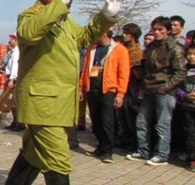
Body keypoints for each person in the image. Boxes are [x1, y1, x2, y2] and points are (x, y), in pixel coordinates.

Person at [0, 0, 127, 185]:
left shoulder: (63, 20)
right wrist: (59, 6)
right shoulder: (30, 15)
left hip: (57, 102)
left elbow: (84, 37)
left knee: (33, 152)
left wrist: (106, 16)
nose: (71, 1)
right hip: (41, 102)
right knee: (57, 158)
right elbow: (28, 33)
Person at [126, 16, 186, 166]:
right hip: (148, 90)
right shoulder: (151, 47)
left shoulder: (175, 48)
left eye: (160, 29)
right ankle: (143, 151)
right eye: (154, 29)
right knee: (142, 121)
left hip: (165, 92)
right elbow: (147, 70)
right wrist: (143, 88)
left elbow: (180, 73)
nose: (157, 32)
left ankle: (162, 154)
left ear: (167, 30)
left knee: (162, 124)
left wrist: (164, 88)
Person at [80, 28, 130, 163]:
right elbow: (85, 69)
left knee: (107, 121)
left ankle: (108, 151)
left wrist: (120, 94)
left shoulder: (120, 50)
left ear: (104, 33)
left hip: (108, 89)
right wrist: (81, 87)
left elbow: (124, 73)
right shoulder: (92, 49)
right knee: (95, 120)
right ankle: (100, 146)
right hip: (92, 87)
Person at [176, 44, 195, 172]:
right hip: (188, 107)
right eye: (189, 54)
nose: (191, 57)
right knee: (191, 134)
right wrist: (185, 95)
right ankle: (192, 159)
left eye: (194, 54)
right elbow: (177, 88)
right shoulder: (183, 70)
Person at [0, 33, 21, 130]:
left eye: (11, 39)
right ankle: (15, 122)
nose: (10, 41)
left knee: (14, 102)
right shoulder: (12, 52)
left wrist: (12, 79)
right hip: (10, 76)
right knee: (11, 102)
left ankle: (19, 123)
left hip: (14, 78)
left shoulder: (17, 52)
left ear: (15, 40)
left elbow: (15, 66)